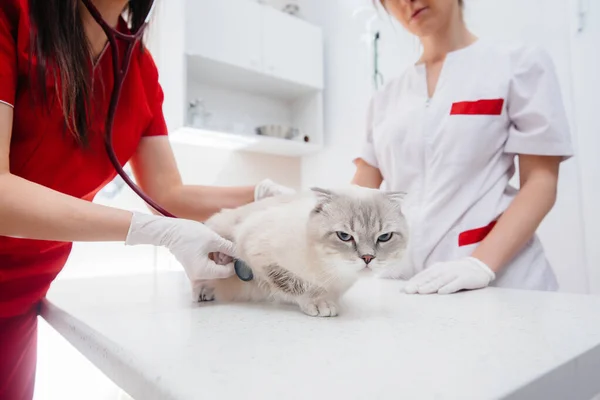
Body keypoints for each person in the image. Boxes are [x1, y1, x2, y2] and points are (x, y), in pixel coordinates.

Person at [0, 0, 294, 398]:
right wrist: (152, 230)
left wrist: (262, 195)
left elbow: (168, 192)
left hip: (26, 298)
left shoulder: (136, 65)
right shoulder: (14, 14)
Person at [351, 0, 573, 295]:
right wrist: (301, 211)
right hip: (410, 288)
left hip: (505, 285)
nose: (406, 1)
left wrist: (478, 265)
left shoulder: (517, 65)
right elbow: (360, 195)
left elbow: (541, 182)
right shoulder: (385, 99)